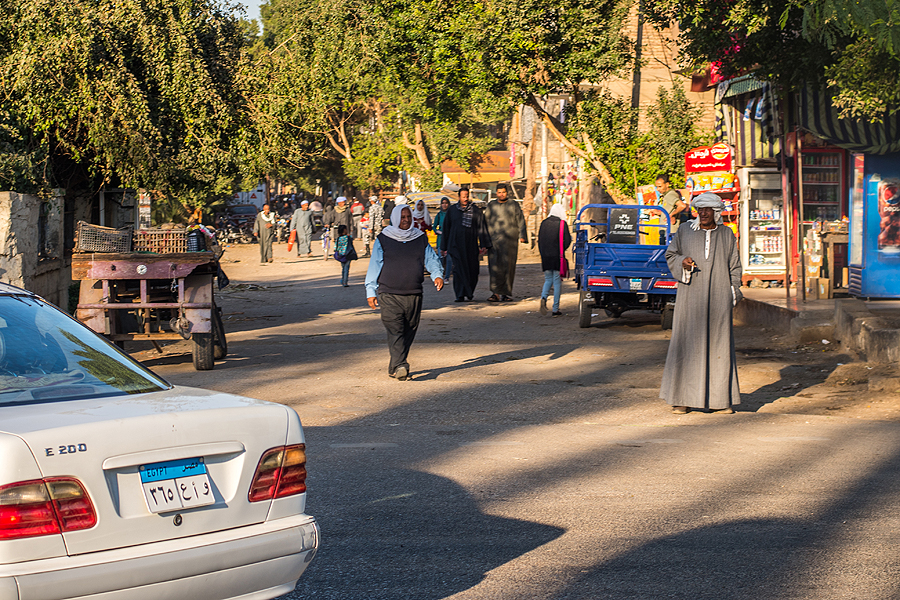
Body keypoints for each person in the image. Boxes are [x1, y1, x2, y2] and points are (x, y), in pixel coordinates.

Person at [660, 193, 743, 415]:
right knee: (686, 344)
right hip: (690, 296)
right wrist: (682, 262)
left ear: (717, 212)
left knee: (719, 346)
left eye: (708, 209)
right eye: (700, 209)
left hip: (719, 298)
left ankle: (720, 400)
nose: (704, 213)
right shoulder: (685, 230)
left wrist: (733, 292)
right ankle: (681, 400)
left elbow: (735, 266)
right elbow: (671, 255)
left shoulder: (727, 234)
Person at [365, 205, 444, 380]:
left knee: (409, 330)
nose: (406, 220)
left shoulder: (420, 238)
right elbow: (375, 264)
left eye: (408, 216)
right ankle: (401, 365)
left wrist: (437, 275)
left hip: (413, 293)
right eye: (402, 217)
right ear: (395, 218)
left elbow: (431, 259)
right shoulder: (384, 239)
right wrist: (370, 290)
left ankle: (395, 366)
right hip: (389, 293)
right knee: (395, 329)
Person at [440, 188, 491, 302]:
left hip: (470, 246)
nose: (465, 199)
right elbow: (446, 229)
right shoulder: (452, 210)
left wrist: (484, 244)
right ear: (459, 197)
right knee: (458, 270)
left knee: (473, 270)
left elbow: (481, 227)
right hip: (455, 246)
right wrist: (443, 247)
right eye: (463, 197)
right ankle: (460, 295)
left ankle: (469, 292)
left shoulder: (476, 210)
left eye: (467, 196)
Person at [484, 183, 527, 301]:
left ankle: (506, 293)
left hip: (510, 242)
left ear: (507, 193)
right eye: (499, 192)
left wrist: (522, 235)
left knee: (509, 267)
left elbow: (521, 220)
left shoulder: (513, 205)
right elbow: (485, 222)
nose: (501, 194)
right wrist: (484, 240)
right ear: (496, 193)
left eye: (503, 192)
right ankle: (495, 293)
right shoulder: (491, 205)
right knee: (494, 267)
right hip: (494, 242)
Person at [538, 203, 571, 316]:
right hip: (557, 256)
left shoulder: (543, 223)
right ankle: (555, 308)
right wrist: (561, 250)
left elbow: (540, 240)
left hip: (545, 256)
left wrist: (543, 253)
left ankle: (543, 297)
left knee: (548, 279)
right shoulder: (562, 224)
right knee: (557, 282)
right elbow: (567, 240)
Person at [432, 196, 452, 278]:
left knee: (449, 260)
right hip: (441, 240)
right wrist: (438, 231)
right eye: (443, 203)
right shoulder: (439, 215)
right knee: (440, 259)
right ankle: (439, 276)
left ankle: (446, 277)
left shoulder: (451, 214)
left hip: (449, 240)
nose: (444, 205)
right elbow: (434, 227)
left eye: (446, 203)